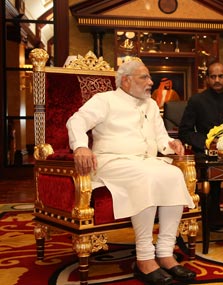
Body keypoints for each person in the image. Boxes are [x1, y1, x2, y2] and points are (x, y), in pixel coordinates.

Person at [66, 60, 196, 285]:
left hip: (144, 161)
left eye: (149, 77)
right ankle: (145, 258)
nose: (151, 82)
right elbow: (75, 120)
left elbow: (160, 137)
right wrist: (80, 145)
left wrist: (170, 145)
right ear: (126, 81)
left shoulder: (152, 105)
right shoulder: (105, 100)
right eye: (144, 77)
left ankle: (165, 253)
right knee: (145, 175)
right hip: (111, 161)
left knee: (174, 174)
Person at [178, 61, 223, 232]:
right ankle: (213, 214)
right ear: (207, 79)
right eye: (213, 76)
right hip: (206, 152)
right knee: (211, 177)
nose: (217, 80)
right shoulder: (196, 100)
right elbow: (184, 131)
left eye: (221, 76)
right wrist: (207, 142)